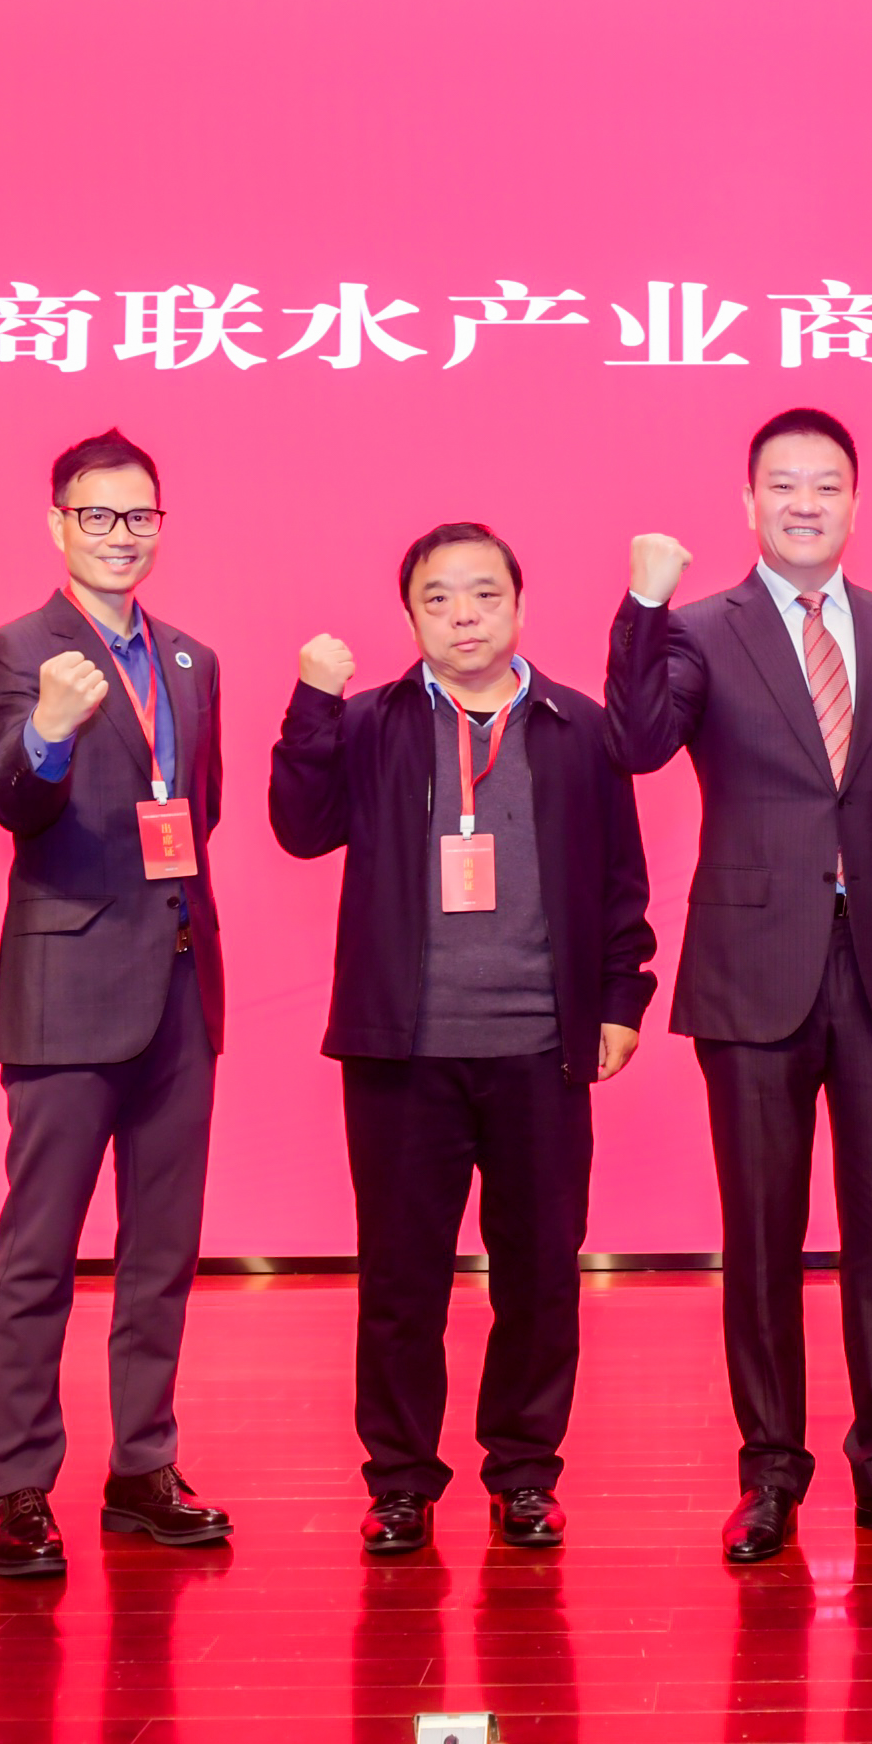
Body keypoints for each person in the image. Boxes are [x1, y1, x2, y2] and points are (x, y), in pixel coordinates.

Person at [609, 408, 872, 1562]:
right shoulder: (696, 628)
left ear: (853, 503)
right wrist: (638, 606)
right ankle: (770, 1472)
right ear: (749, 502)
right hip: (749, 971)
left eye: (824, 484)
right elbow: (636, 741)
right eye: (782, 484)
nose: (803, 503)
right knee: (761, 1235)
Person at [273, 522, 657, 1556]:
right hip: (402, 1052)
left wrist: (620, 1000)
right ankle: (400, 1481)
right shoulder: (370, 722)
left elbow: (621, 881)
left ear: (519, 606)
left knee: (540, 1274)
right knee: (402, 1281)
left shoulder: (578, 729)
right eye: (437, 598)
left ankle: (524, 1472)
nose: (463, 615)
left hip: (540, 1045)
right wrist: (310, 703)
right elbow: (300, 827)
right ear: (410, 617)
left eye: (483, 594)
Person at [0, 430, 231, 1579]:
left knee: (161, 1251)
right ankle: (20, 1487)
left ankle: (142, 1468)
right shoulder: (13, 650)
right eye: (97, 516)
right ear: (57, 524)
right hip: (68, 989)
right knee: (39, 1253)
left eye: (138, 517)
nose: (120, 536)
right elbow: (13, 803)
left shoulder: (192, 661)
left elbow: (199, 812)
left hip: (179, 982)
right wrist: (50, 729)